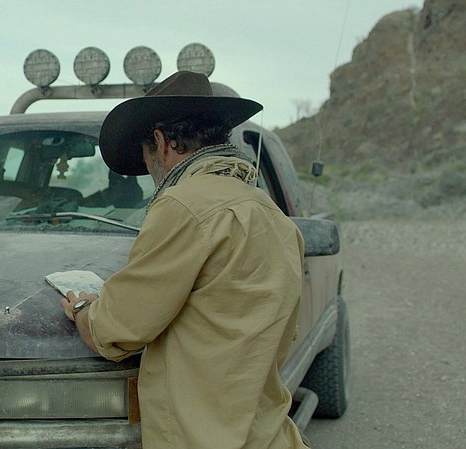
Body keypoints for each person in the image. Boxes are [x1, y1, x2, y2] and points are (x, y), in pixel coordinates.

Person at [59, 70, 309, 449]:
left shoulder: (183, 205)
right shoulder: (269, 212)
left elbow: (119, 327)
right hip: (268, 435)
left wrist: (82, 311)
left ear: (160, 142)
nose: (150, 172)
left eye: (146, 156)